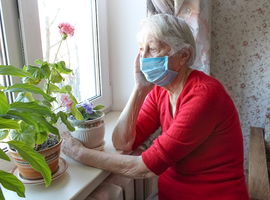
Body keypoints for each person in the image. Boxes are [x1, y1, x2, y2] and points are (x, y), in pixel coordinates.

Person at [61, 14, 249, 199]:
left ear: (183, 55)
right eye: (141, 49)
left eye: (152, 49)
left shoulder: (204, 95)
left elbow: (144, 168)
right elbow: (123, 142)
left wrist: (80, 153)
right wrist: (139, 89)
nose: (143, 59)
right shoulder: (161, 90)